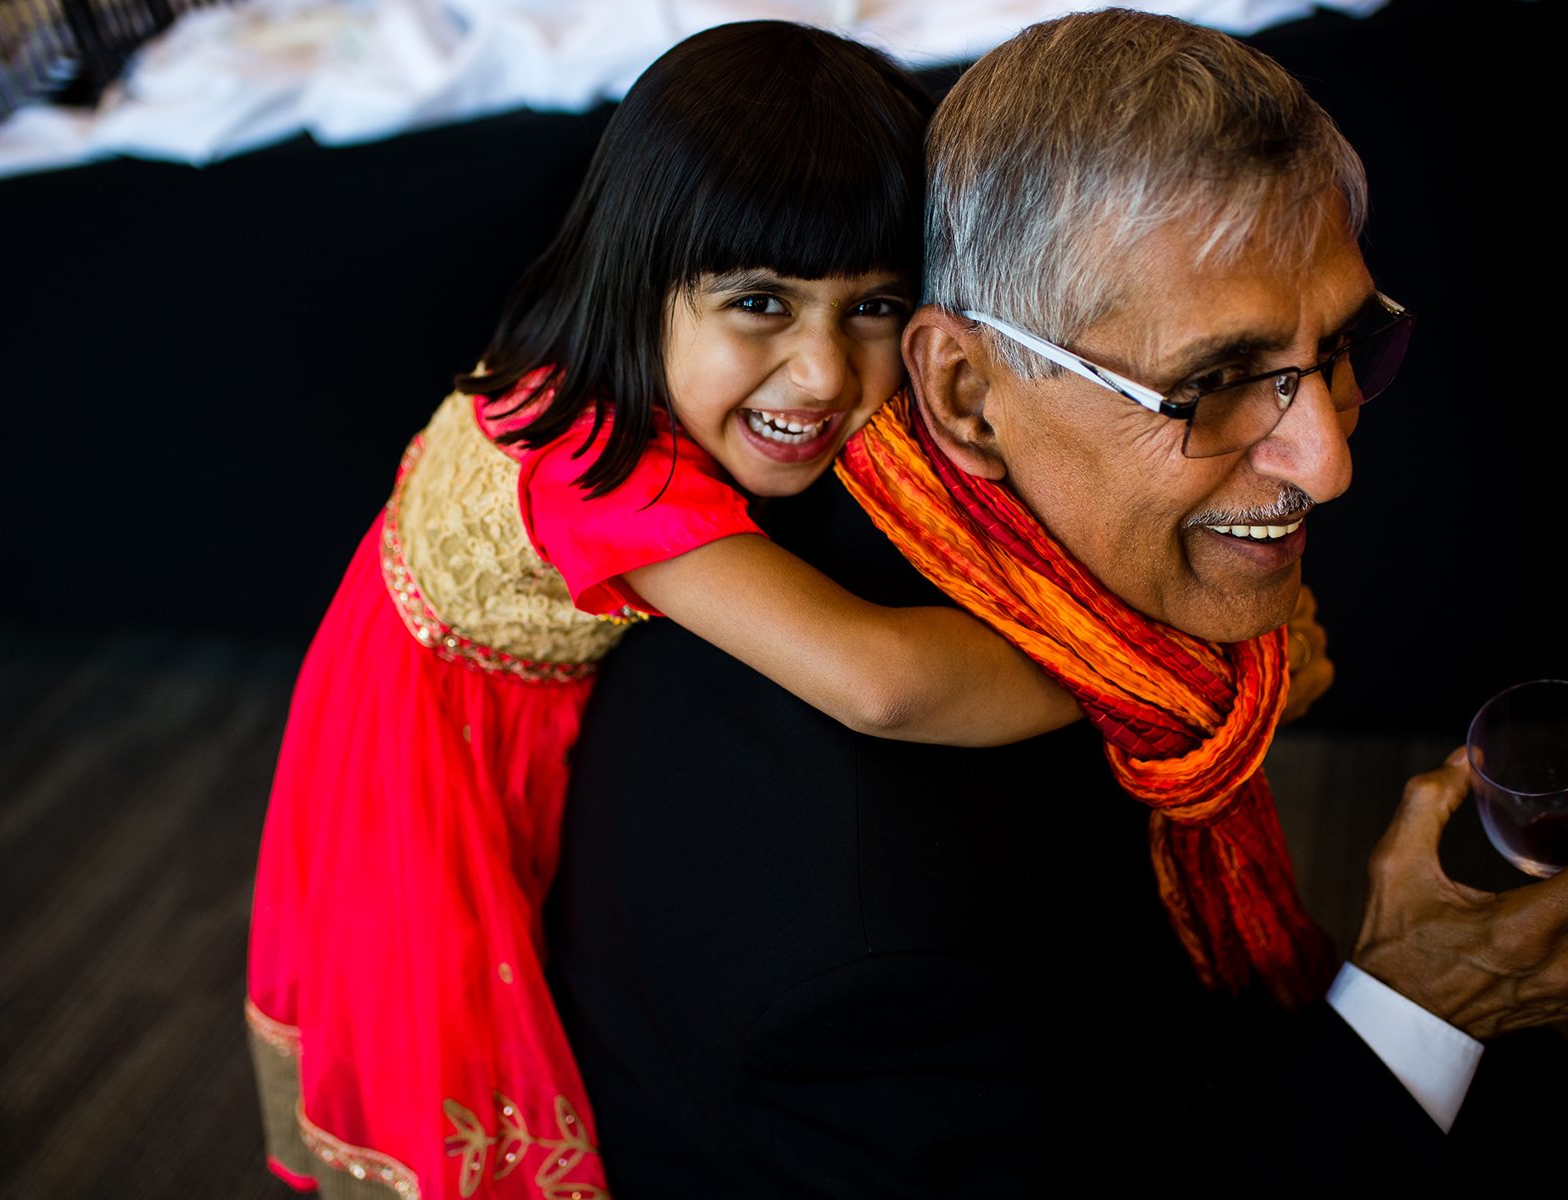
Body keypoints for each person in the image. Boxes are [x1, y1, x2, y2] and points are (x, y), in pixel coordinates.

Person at [547, 10, 1568, 1196]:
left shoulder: (908, 484)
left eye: (1339, 349)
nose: (1328, 462)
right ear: (969, 391)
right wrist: (1413, 1003)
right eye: (1217, 383)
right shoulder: (869, 964)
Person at [244, 22, 1097, 1200]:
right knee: (471, 1082)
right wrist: (1153, 667)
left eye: (873, 308)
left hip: (421, 692)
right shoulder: (609, 475)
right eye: (761, 303)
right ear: (641, 275)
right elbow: (879, 682)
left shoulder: (604, 357)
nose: (823, 376)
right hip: (432, 771)